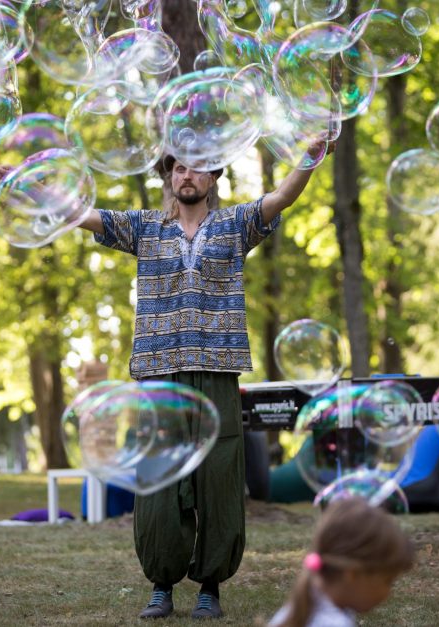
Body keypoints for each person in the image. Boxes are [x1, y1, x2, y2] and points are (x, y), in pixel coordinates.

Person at [78, 141, 333, 619]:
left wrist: (310, 157)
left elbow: (280, 199)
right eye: (177, 167)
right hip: (158, 371)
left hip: (218, 371)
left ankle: (210, 586)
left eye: (195, 168)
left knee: (217, 480)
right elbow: (84, 216)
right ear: (169, 178)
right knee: (156, 484)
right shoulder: (144, 228)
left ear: (212, 178)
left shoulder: (235, 226)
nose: (185, 174)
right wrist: (31, 189)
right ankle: (160, 584)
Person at [268, 497, 415, 627]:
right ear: (353, 574)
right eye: (388, 581)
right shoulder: (332, 623)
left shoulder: (302, 606)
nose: (389, 593)